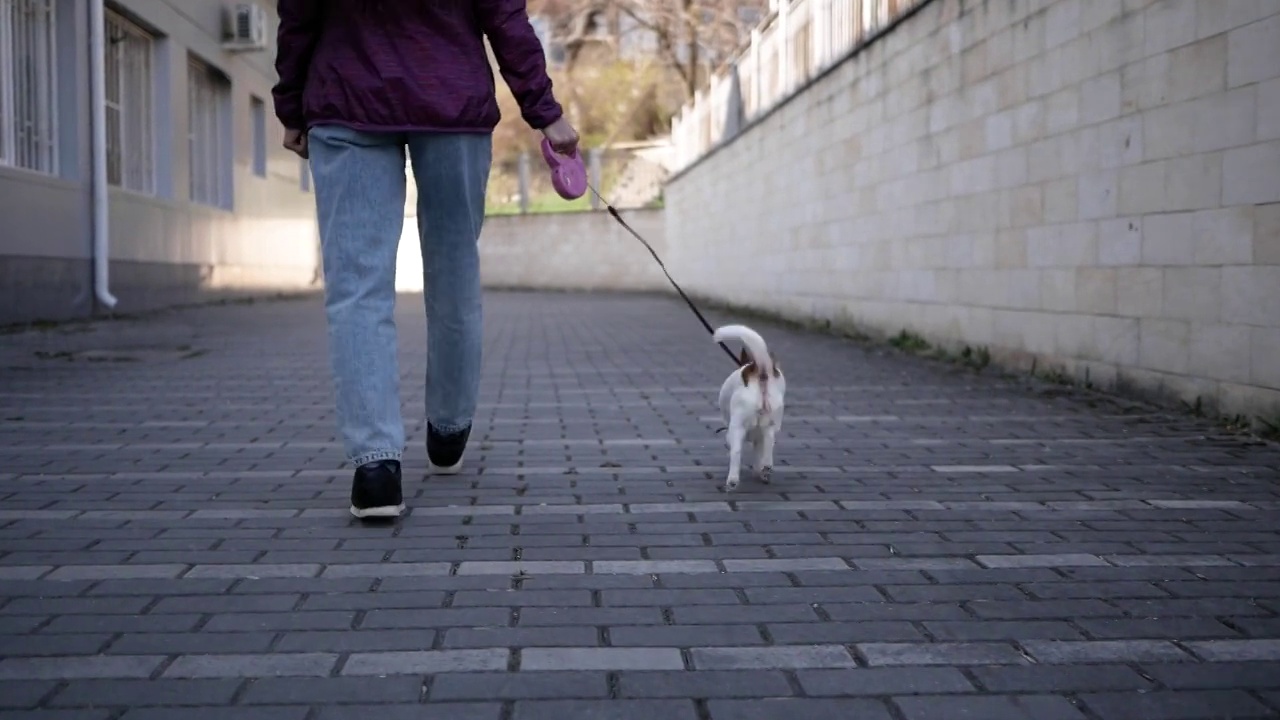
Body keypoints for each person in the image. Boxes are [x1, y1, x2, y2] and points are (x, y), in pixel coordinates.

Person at [272, 0, 579, 519]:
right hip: (450, 100)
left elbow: (299, 13)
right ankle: (449, 430)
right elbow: (503, 16)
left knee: (357, 290)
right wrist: (544, 111)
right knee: (454, 275)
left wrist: (291, 105)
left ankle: (375, 470)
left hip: (347, 98)